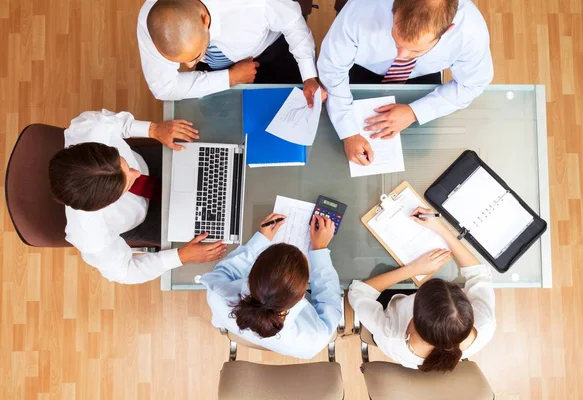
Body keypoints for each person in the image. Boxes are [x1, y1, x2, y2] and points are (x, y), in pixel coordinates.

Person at [48, 109, 227, 284]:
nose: (136, 174)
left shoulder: (89, 128)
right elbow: (126, 272)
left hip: (148, 162)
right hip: (147, 219)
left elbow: (116, 123)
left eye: (124, 163)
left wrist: (152, 130)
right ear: (105, 205)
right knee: (221, 228)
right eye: (127, 185)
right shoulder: (90, 234)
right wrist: (180, 257)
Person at [317, 0, 493, 166]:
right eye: (396, 40)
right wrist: (348, 132)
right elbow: (332, 69)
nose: (400, 55)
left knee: (419, 152)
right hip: (363, 67)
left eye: (415, 49)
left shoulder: (470, 32)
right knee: (331, 144)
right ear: (395, 8)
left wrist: (414, 112)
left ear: (447, 30)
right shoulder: (361, 9)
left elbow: (471, 84)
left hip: (421, 75)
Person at [348, 206, 496, 372]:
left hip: (391, 303)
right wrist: (440, 228)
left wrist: (413, 269)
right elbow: (479, 275)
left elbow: (358, 292)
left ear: (415, 315)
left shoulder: (392, 336)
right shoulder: (484, 326)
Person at [201, 213, 342, 359]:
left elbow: (225, 271)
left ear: (251, 275)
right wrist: (319, 249)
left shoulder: (218, 294)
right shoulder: (314, 338)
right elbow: (330, 303)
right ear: (303, 295)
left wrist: (261, 239)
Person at [137, 0, 326, 106]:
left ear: (205, 20)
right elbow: (164, 87)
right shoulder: (155, 18)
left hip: (272, 50)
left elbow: (293, 23)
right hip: (220, 69)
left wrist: (309, 76)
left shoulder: (255, 5)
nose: (190, 67)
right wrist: (229, 78)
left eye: (194, 57)